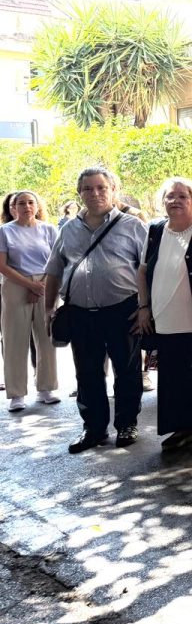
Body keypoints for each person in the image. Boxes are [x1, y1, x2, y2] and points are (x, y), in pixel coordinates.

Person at [44, 167, 149, 453]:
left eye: (101, 187)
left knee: (126, 372)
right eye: (88, 189)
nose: (95, 193)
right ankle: (94, 429)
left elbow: (147, 269)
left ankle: (127, 424)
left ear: (113, 190)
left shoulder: (133, 225)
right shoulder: (68, 229)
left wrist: (145, 307)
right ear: (79, 194)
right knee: (87, 373)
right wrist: (49, 309)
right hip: (79, 312)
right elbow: (54, 271)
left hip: (123, 310)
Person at [135, 178, 192, 454]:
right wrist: (144, 307)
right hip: (163, 315)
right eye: (170, 196)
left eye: (182, 196)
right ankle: (181, 426)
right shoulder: (155, 229)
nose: (175, 201)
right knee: (172, 376)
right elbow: (144, 270)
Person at [0, 190, 59, 411]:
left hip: (45, 282)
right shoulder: (5, 232)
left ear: (37, 205)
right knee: (15, 339)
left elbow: (56, 259)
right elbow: (2, 265)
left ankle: (46, 388)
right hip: (16, 285)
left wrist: (40, 285)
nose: (27, 206)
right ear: (13, 208)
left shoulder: (49, 229)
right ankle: (16, 394)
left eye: (30, 202)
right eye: (21, 203)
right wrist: (29, 285)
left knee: (46, 337)